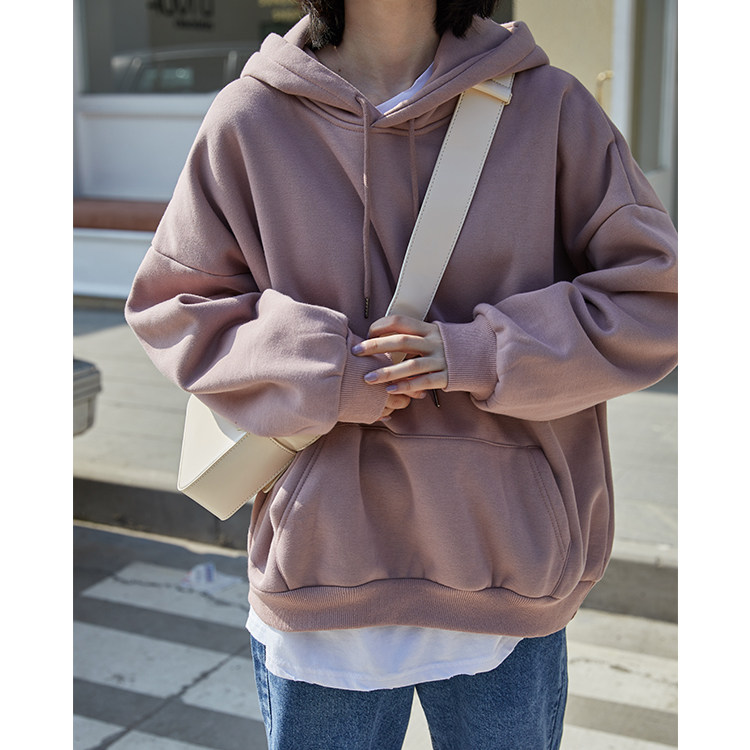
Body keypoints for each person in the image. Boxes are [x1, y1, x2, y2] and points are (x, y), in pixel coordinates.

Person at [125, 1, 678, 747]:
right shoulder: (252, 118)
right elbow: (176, 309)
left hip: (505, 572)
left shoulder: (548, 109)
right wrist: (326, 368)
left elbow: (656, 300)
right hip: (323, 569)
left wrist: (480, 351)